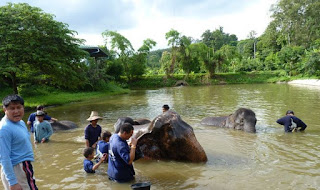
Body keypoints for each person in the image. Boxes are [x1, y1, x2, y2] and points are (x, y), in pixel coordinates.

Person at [0, 94, 38, 190]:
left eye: (19, 107)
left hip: (24, 166)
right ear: (5, 109)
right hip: (17, 168)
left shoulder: (20, 122)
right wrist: (12, 182)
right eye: (12, 108)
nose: (16, 111)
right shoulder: (4, 128)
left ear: (23, 108)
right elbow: (4, 157)